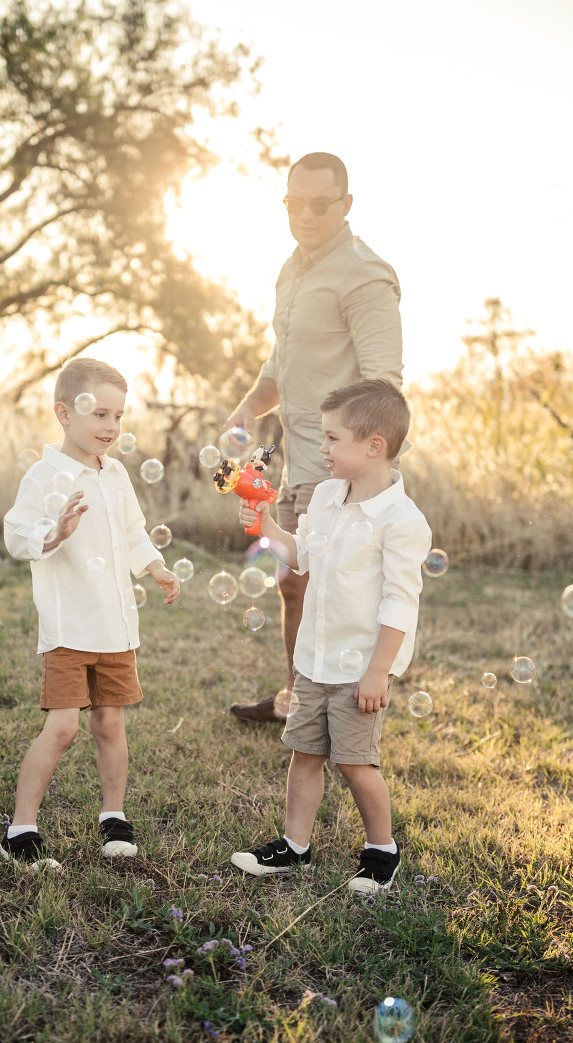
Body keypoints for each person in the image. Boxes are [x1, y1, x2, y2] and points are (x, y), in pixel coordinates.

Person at [228, 379, 431, 896]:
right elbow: (302, 556)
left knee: (356, 763)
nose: (321, 448)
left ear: (374, 446)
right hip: (314, 659)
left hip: (359, 666)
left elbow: (399, 604)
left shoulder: (401, 521)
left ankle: (381, 849)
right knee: (305, 753)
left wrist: (377, 671)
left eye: (332, 438)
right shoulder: (323, 496)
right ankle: (294, 845)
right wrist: (267, 526)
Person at [224, 152, 403, 723]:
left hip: (341, 468)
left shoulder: (365, 276)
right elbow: (284, 359)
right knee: (293, 583)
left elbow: (384, 386)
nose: (304, 214)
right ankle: (296, 700)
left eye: (319, 204)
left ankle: (332, 711)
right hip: (298, 460)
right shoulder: (291, 269)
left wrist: (354, 466)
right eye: (293, 202)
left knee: (331, 593)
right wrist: (248, 408)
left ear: (347, 204)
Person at [0, 358, 181, 870]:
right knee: (63, 728)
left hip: (115, 625)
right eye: (100, 414)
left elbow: (133, 532)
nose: (111, 426)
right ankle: (20, 829)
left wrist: (156, 567)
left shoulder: (116, 473)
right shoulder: (45, 475)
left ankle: (113, 816)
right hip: (70, 626)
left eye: (118, 416)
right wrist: (55, 532)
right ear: (64, 413)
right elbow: (16, 535)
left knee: (109, 724)